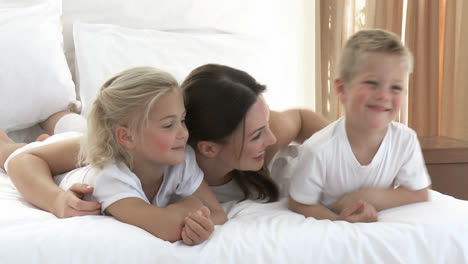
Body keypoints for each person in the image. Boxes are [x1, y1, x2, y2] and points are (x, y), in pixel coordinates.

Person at [3, 63, 329, 218]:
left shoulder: (264, 137)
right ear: (208, 148)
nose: (270, 138)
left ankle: (57, 119)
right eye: (258, 135)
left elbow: (302, 118)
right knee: (30, 145)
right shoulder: (150, 151)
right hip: (89, 139)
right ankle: (51, 121)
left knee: (67, 126)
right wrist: (57, 201)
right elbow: (26, 162)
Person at [4, 67, 227, 245]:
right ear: (127, 137)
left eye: (183, 119)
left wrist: (200, 223)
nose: (183, 133)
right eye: (169, 125)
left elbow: (217, 213)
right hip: (71, 161)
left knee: (69, 133)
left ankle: (50, 131)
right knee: (9, 153)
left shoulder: (180, 159)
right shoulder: (110, 177)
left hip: (82, 146)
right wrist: (56, 200)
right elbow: (167, 227)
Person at [288, 29, 431, 223]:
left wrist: (368, 197)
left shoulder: (405, 140)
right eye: (372, 83)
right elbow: (300, 203)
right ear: (342, 89)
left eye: (395, 87)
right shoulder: (317, 150)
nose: (383, 96)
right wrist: (340, 221)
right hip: (289, 173)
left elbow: (420, 193)